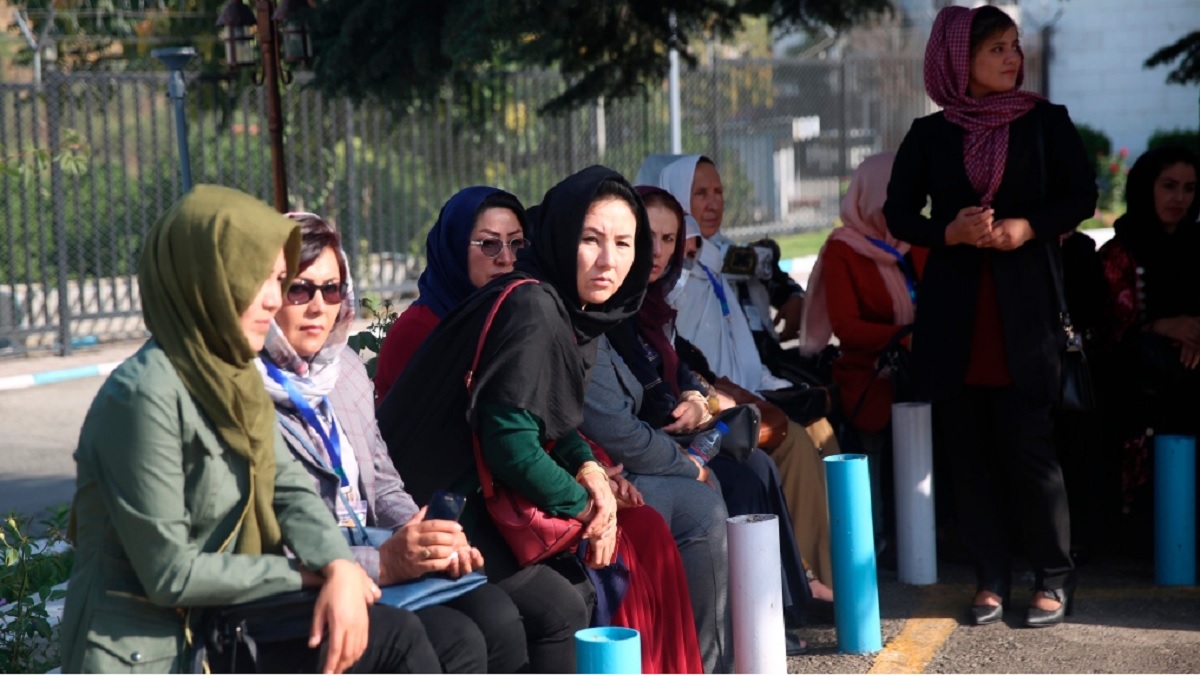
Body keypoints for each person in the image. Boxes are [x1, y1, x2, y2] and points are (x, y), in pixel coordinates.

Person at [60, 185, 440, 674]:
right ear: (204, 279)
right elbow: (172, 573)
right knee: (398, 641)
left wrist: (339, 565)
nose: (272, 300)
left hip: (221, 629)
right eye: (258, 280)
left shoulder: (233, 374)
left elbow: (289, 490)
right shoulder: (142, 396)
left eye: (279, 280)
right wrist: (316, 574)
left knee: (444, 632)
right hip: (146, 655)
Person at [378, 169, 708, 670]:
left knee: (573, 592)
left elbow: (549, 416)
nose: (609, 260)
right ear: (561, 236)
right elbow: (509, 443)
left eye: (624, 243)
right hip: (435, 509)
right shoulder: (534, 305)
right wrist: (591, 508)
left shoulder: (569, 307)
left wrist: (589, 469)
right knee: (558, 606)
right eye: (591, 239)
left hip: (474, 496)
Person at [883, 5, 1097, 627]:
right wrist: (947, 232)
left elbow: (1081, 196)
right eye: (996, 49)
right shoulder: (930, 134)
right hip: (957, 318)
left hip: (1025, 316)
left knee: (1031, 450)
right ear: (960, 61)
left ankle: (1053, 576)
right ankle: (991, 578)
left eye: (1014, 46)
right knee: (969, 454)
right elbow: (899, 214)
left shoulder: (1045, 122)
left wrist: (1028, 227)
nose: (1012, 58)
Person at [261, 211, 530, 673]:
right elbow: (274, 538)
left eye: (331, 289)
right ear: (266, 293)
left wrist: (427, 539)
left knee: (498, 615)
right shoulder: (245, 392)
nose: (318, 306)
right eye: (299, 289)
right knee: (456, 639)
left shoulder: (344, 370)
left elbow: (382, 483)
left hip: (377, 550)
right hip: (311, 574)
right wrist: (384, 560)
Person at [582, 185, 827, 652]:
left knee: (760, 462)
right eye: (646, 237)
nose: (657, 251)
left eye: (669, 239)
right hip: (649, 449)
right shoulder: (611, 304)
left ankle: (770, 612)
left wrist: (700, 398)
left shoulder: (653, 301)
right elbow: (626, 410)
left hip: (678, 433)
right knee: (738, 477)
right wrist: (690, 445)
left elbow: (683, 365)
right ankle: (749, 624)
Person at [801, 151, 927, 556]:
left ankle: (928, 534)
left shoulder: (916, 241)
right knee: (873, 462)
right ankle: (878, 540)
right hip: (868, 377)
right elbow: (847, 327)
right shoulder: (843, 249)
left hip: (920, 374)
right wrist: (903, 337)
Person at [1096, 145, 1200, 553]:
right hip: (1133, 381)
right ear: (1146, 188)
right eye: (1169, 186)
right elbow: (1107, 332)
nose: (1180, 198)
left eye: (1190, 188)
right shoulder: (1120, 252)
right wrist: (1160, 327)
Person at [374, 187, 529, 403]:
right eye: (489, 243)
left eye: (516, 243)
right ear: (455, 246)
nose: (506, 258)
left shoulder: (520, 319)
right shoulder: (418, 331)